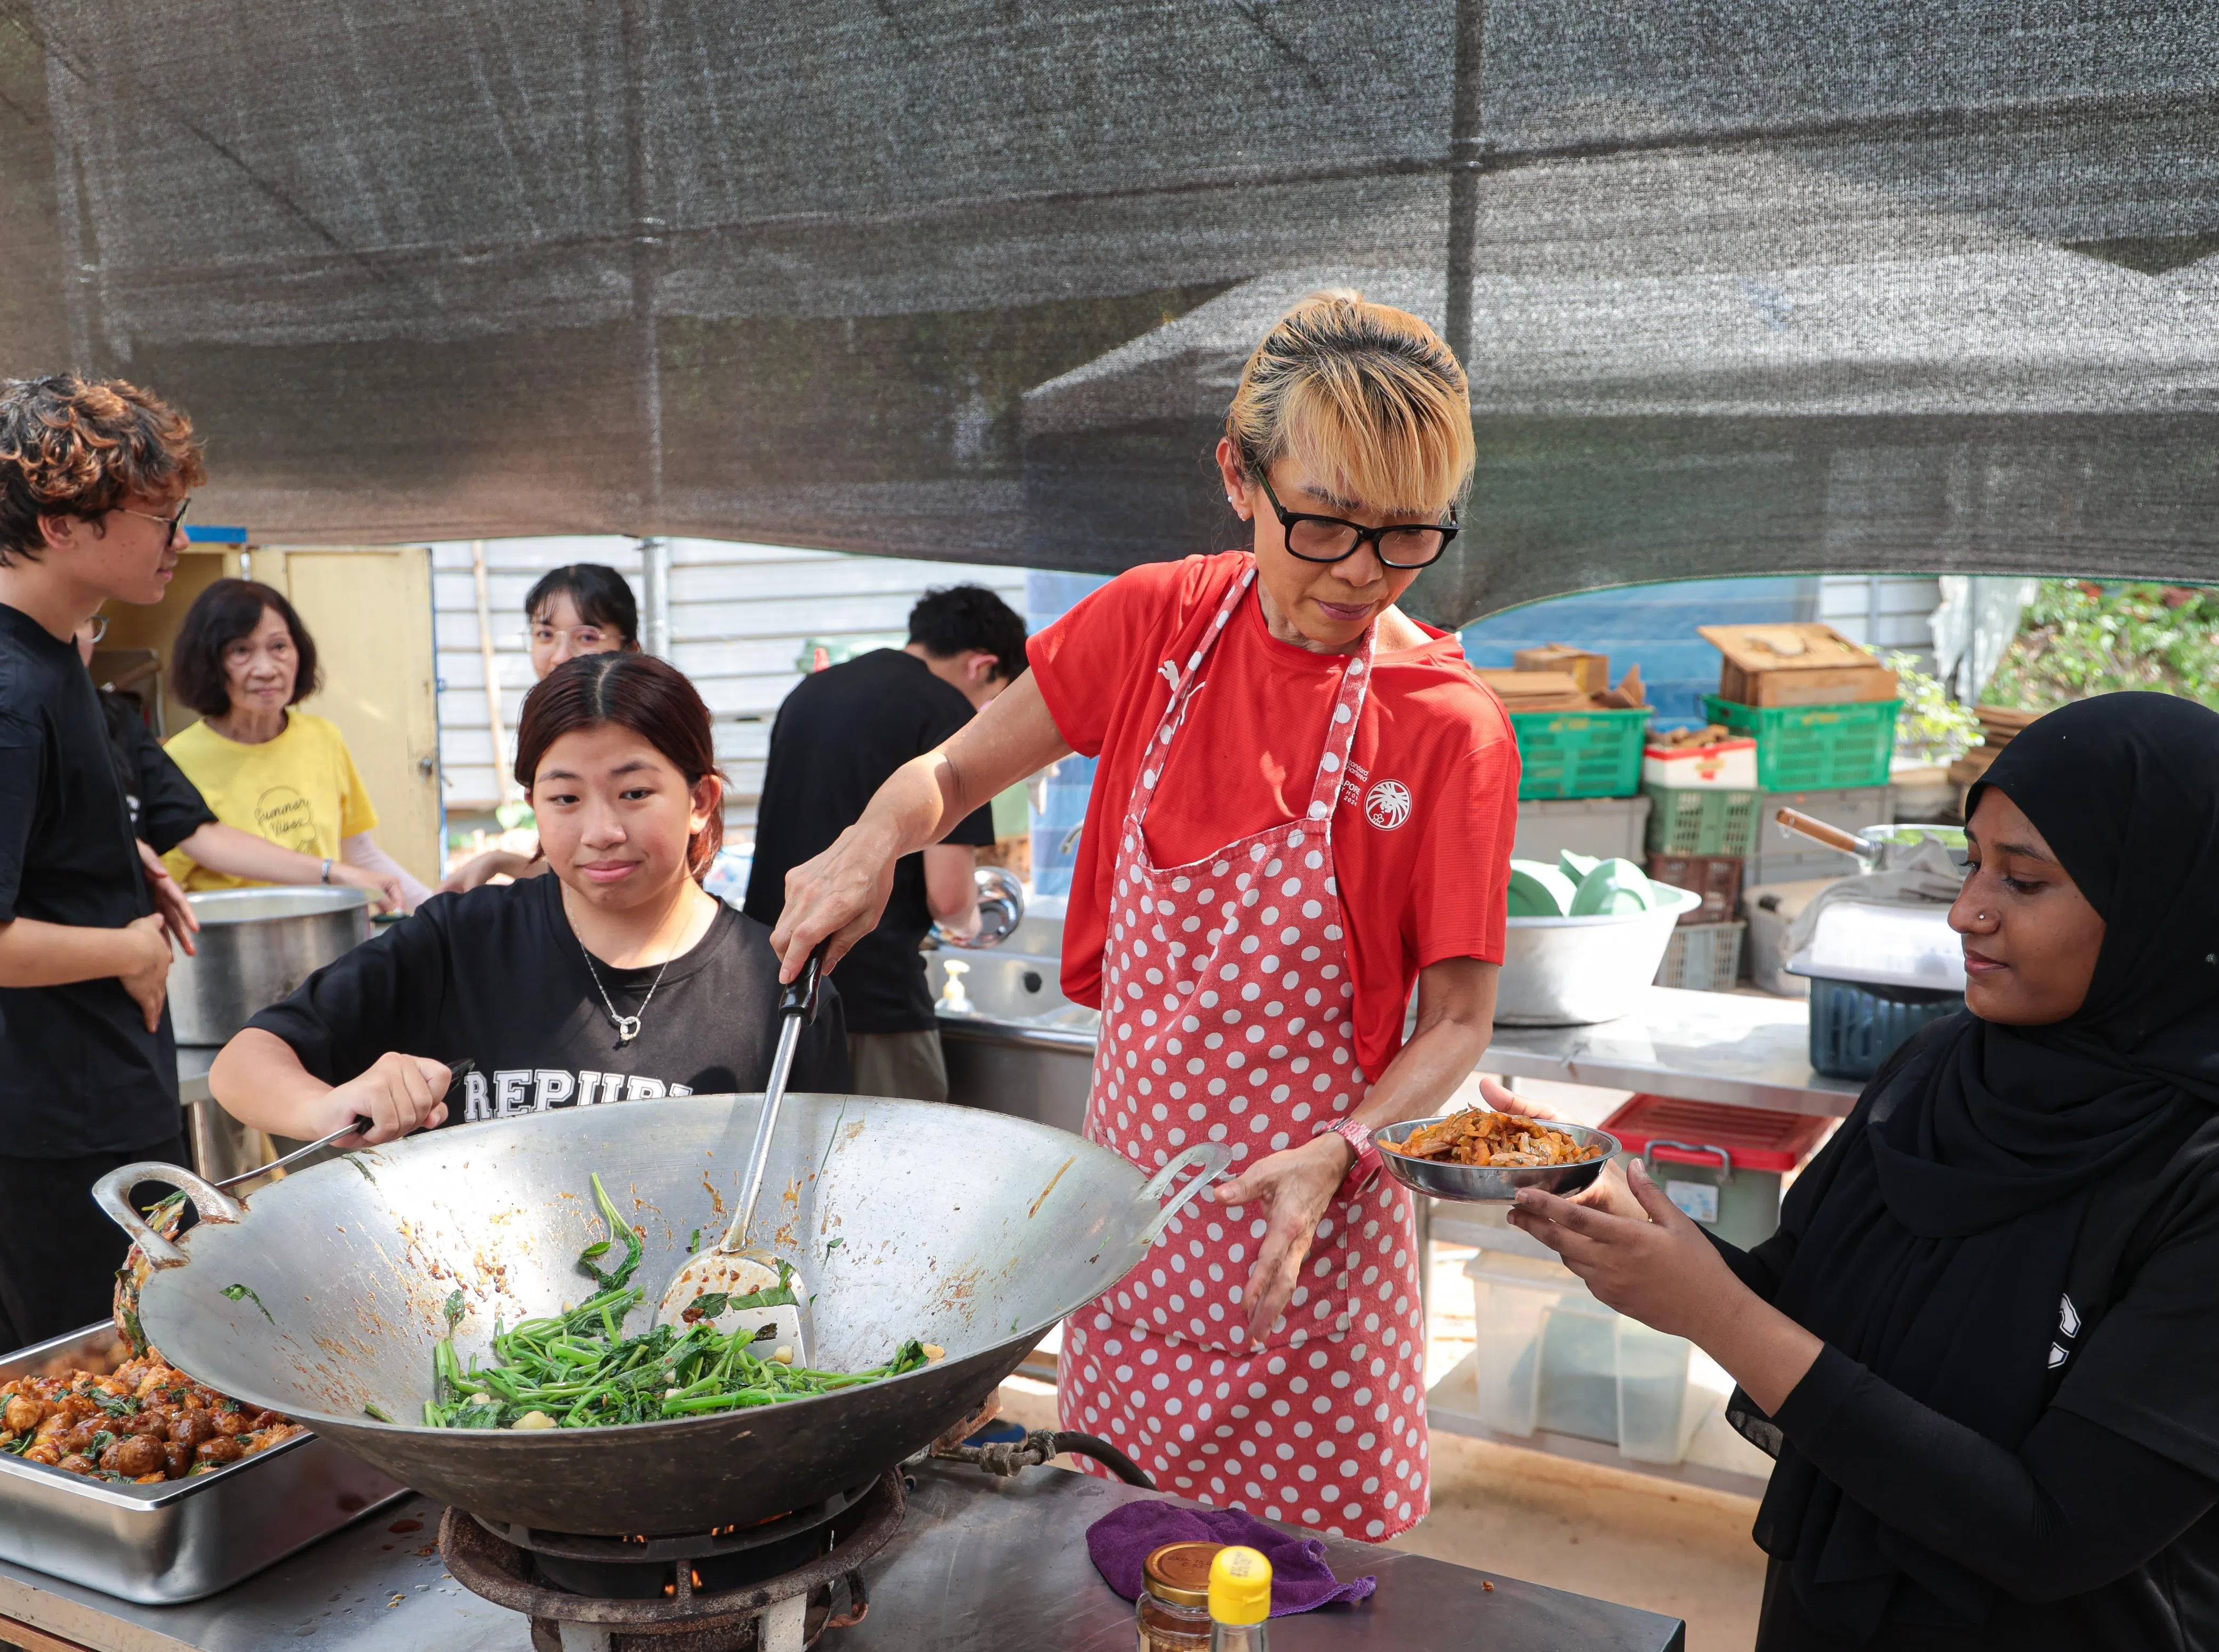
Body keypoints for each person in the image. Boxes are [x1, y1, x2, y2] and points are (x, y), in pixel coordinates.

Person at [1497, 692, 2219, 1652]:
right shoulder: (1940, 1076)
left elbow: (2048, 1530)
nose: (1965, 911)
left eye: (2023, 880)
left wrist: (1711, 1310)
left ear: (2169, 910)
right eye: (1970, 865)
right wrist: (1640, 1241)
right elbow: (1807, 1311)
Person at [768, 291, 1520, 1539]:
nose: (1357, 573)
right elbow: (948, 777)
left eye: (1404, 537)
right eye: (1323, 523)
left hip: (1313, 1269)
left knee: (1311, 1634)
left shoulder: (1445, 726)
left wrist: (1345, 1146)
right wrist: (864, 844)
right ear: (1239, 476)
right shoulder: (1158, 624)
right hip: (1130, 1242)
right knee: (1106, 1602)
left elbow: (1456, 1022)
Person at [0, 373, 250, 1652]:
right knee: (86, 1378)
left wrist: (120, 862)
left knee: (83, 1352)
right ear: (61, 515)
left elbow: (11, 847)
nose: (175, 538)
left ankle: (60, 1639)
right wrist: (116, 954)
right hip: (41, 1113)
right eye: (158, 512)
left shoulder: (34, 638)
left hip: (51, 1092)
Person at [208, 650, 848, 1147]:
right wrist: (328, 1107)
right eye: (566, 798)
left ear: (700, 801)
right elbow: (245, 1062)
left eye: (634, 793)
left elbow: (808, 1192)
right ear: (535, 807)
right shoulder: (461, 942)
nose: (601, 832)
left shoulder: (778, 987)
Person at [0, 610, 397, 908]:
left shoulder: (114, 720)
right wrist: (14, 841)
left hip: (119, 991)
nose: (75, 640)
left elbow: (199, 834)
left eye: (87, 624)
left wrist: (331, 873)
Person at [745, 584, 1023, 1100]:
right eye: (996, 699)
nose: (990, 713)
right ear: (982, 666)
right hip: (875, 999)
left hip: (769, 985)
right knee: (899, 1170)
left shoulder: (810, 693)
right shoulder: (951, 717)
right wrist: (971, 927)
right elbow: (951, 899)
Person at [158, 579, 436, 909]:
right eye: (241, 651)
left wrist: (437, 911)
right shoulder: (178, 760)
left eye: (278, 647)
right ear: (209, 664)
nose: (266, 670)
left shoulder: (323, 738)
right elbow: (165, 884)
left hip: (328, 939)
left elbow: (359, 854)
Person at [441, 562, 646, 891]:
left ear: (630, 649)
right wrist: (499, 862)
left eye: (587, 636)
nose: (561, 656)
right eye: (545, 635)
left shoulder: (651, 727)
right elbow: (577, 870)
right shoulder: (545, 725)